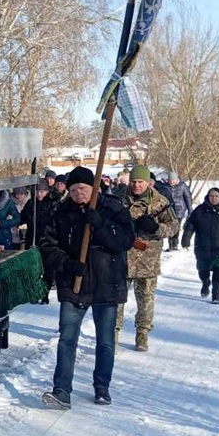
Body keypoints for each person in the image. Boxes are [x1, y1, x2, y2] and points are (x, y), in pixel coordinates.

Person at [39, 166, 135, 408]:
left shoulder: (113, 207)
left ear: (93, 188)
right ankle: (61, 390)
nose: (78, 193)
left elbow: (125, 241)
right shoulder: (61, 212)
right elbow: (48, 246)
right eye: (73, 190)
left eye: (82, 188)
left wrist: (101, 225)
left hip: (107, 283)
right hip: (74, 284)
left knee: (105, 341)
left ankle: (102, 387)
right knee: (66, 339)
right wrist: (69, 264)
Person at [115, 163, 179, 351]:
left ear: (148, 183)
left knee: (146, 300)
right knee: (116, 299)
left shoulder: (160, 202)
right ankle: (113, 333)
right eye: (134, 181)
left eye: (140, 182)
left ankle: (142, 334)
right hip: (121, 258)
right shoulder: (118, 199)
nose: (136, 185)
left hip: (147, 259)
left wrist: (156, 228)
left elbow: (174, 227)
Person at [182, 187, 219, 303]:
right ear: (208, 197)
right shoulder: (200, 210)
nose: (214, 198)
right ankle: (205, 283)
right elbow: (190, 225)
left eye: (216, 196)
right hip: (203, 247)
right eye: (211, 196)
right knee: (203, 271)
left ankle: (216, 295)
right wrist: (186, 239)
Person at [20, 183, 56, 301]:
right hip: (32, 239)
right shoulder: (31, 204)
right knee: (33, 268)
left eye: (42, 191)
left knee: (47, 268)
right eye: (38, 192)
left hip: (47, 240)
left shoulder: (52, 204)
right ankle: (34, 292)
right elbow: (23, 217)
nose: (39, 194)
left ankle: (44, 293)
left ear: (47, 192)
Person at [164, 172, 193, 251]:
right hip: (169, 210)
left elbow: (188, 198)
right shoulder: (165, 187)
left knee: (176, 227)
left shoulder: (182, 186)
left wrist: (190, 210)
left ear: (176, 179)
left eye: (173, 180)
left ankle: (175, 244)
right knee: (170, 227)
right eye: (170, 180)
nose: (172, 182)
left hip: (180, 209)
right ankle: (170, 245)